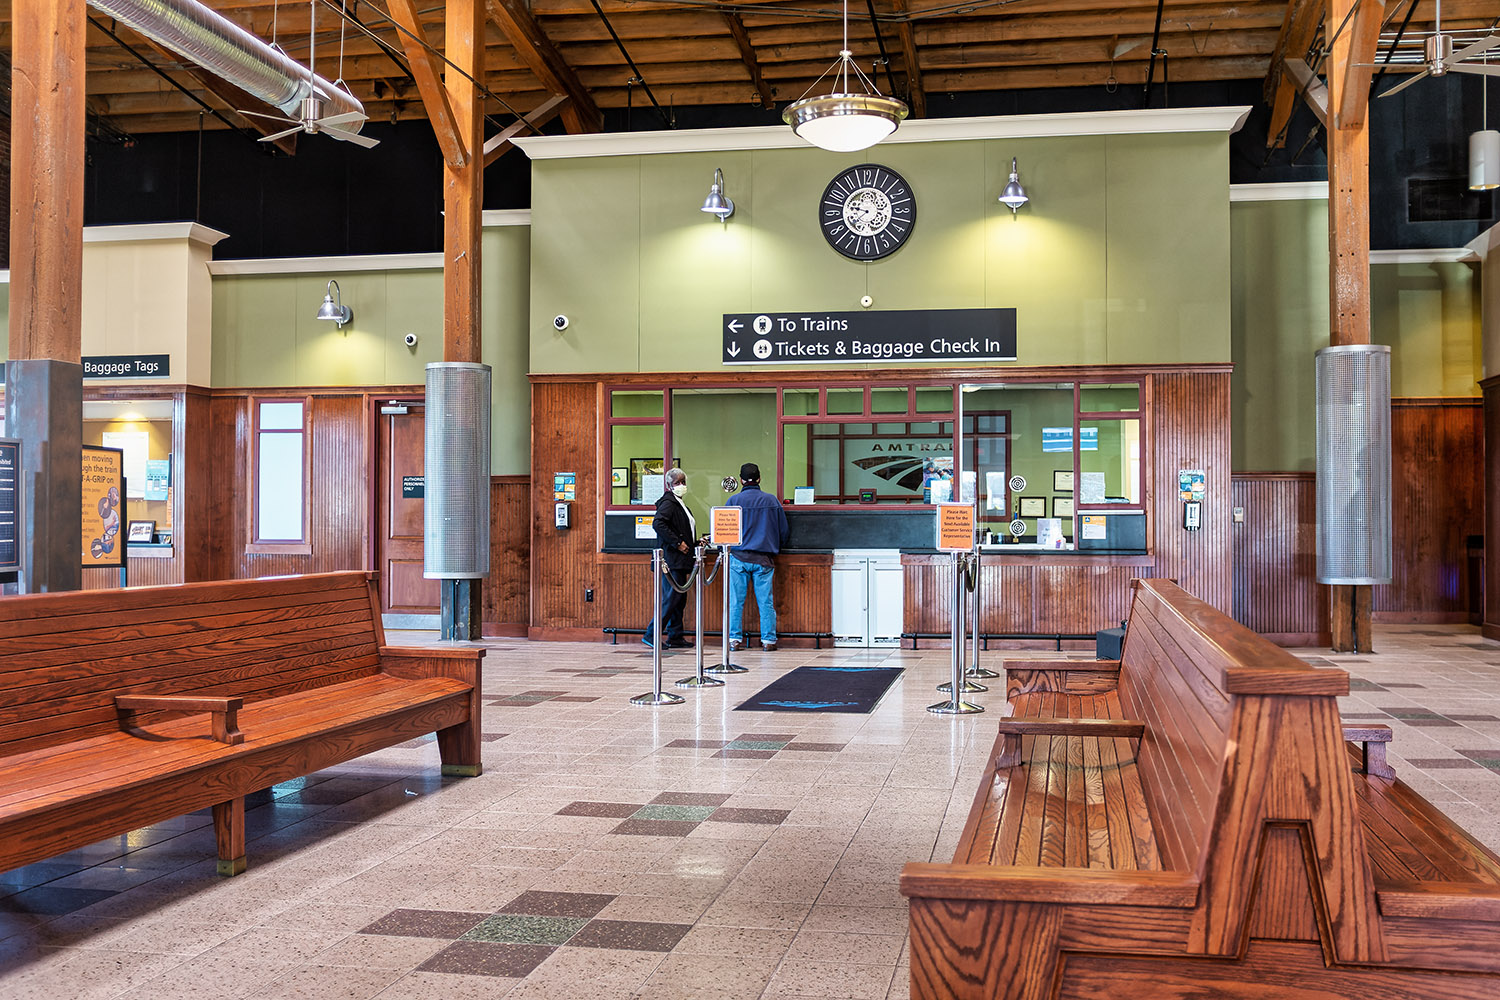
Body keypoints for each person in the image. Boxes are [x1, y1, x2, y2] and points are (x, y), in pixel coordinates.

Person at [726, 463, 790, 651]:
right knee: (766, 602)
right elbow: (783, 531)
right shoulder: (772, 501)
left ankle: (734, 640)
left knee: (736, 601)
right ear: (759, 479)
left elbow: (726, 532)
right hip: (764, 559)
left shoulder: (732, 501)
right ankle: (768, 640)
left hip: (738, 558)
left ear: (741, 480)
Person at [643, 467, 696, 649]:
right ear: (669, 485)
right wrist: (677, 543)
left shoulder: (679, 504)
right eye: (677, 483)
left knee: (678, 599)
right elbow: (658, 523)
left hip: (679, 560)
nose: (681, 486)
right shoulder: (669, 503)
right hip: (671, 560)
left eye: (683, 482)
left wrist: (694, 543)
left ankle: (675, 635)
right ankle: (652, 634)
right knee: (672, 598)